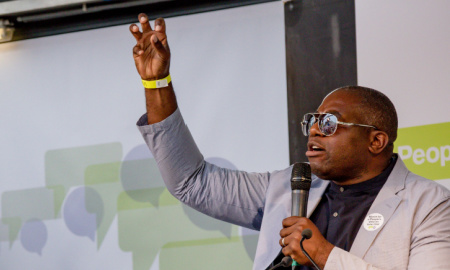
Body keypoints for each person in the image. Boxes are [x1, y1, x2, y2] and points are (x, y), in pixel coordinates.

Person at [130, 13, 450, 270]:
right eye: (312, 121)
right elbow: (191, 181)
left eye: (329, 123)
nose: (313, 130)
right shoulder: (286, 189)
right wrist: (156, 82)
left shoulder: (428, 205)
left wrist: (326, 257)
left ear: (376, 141)